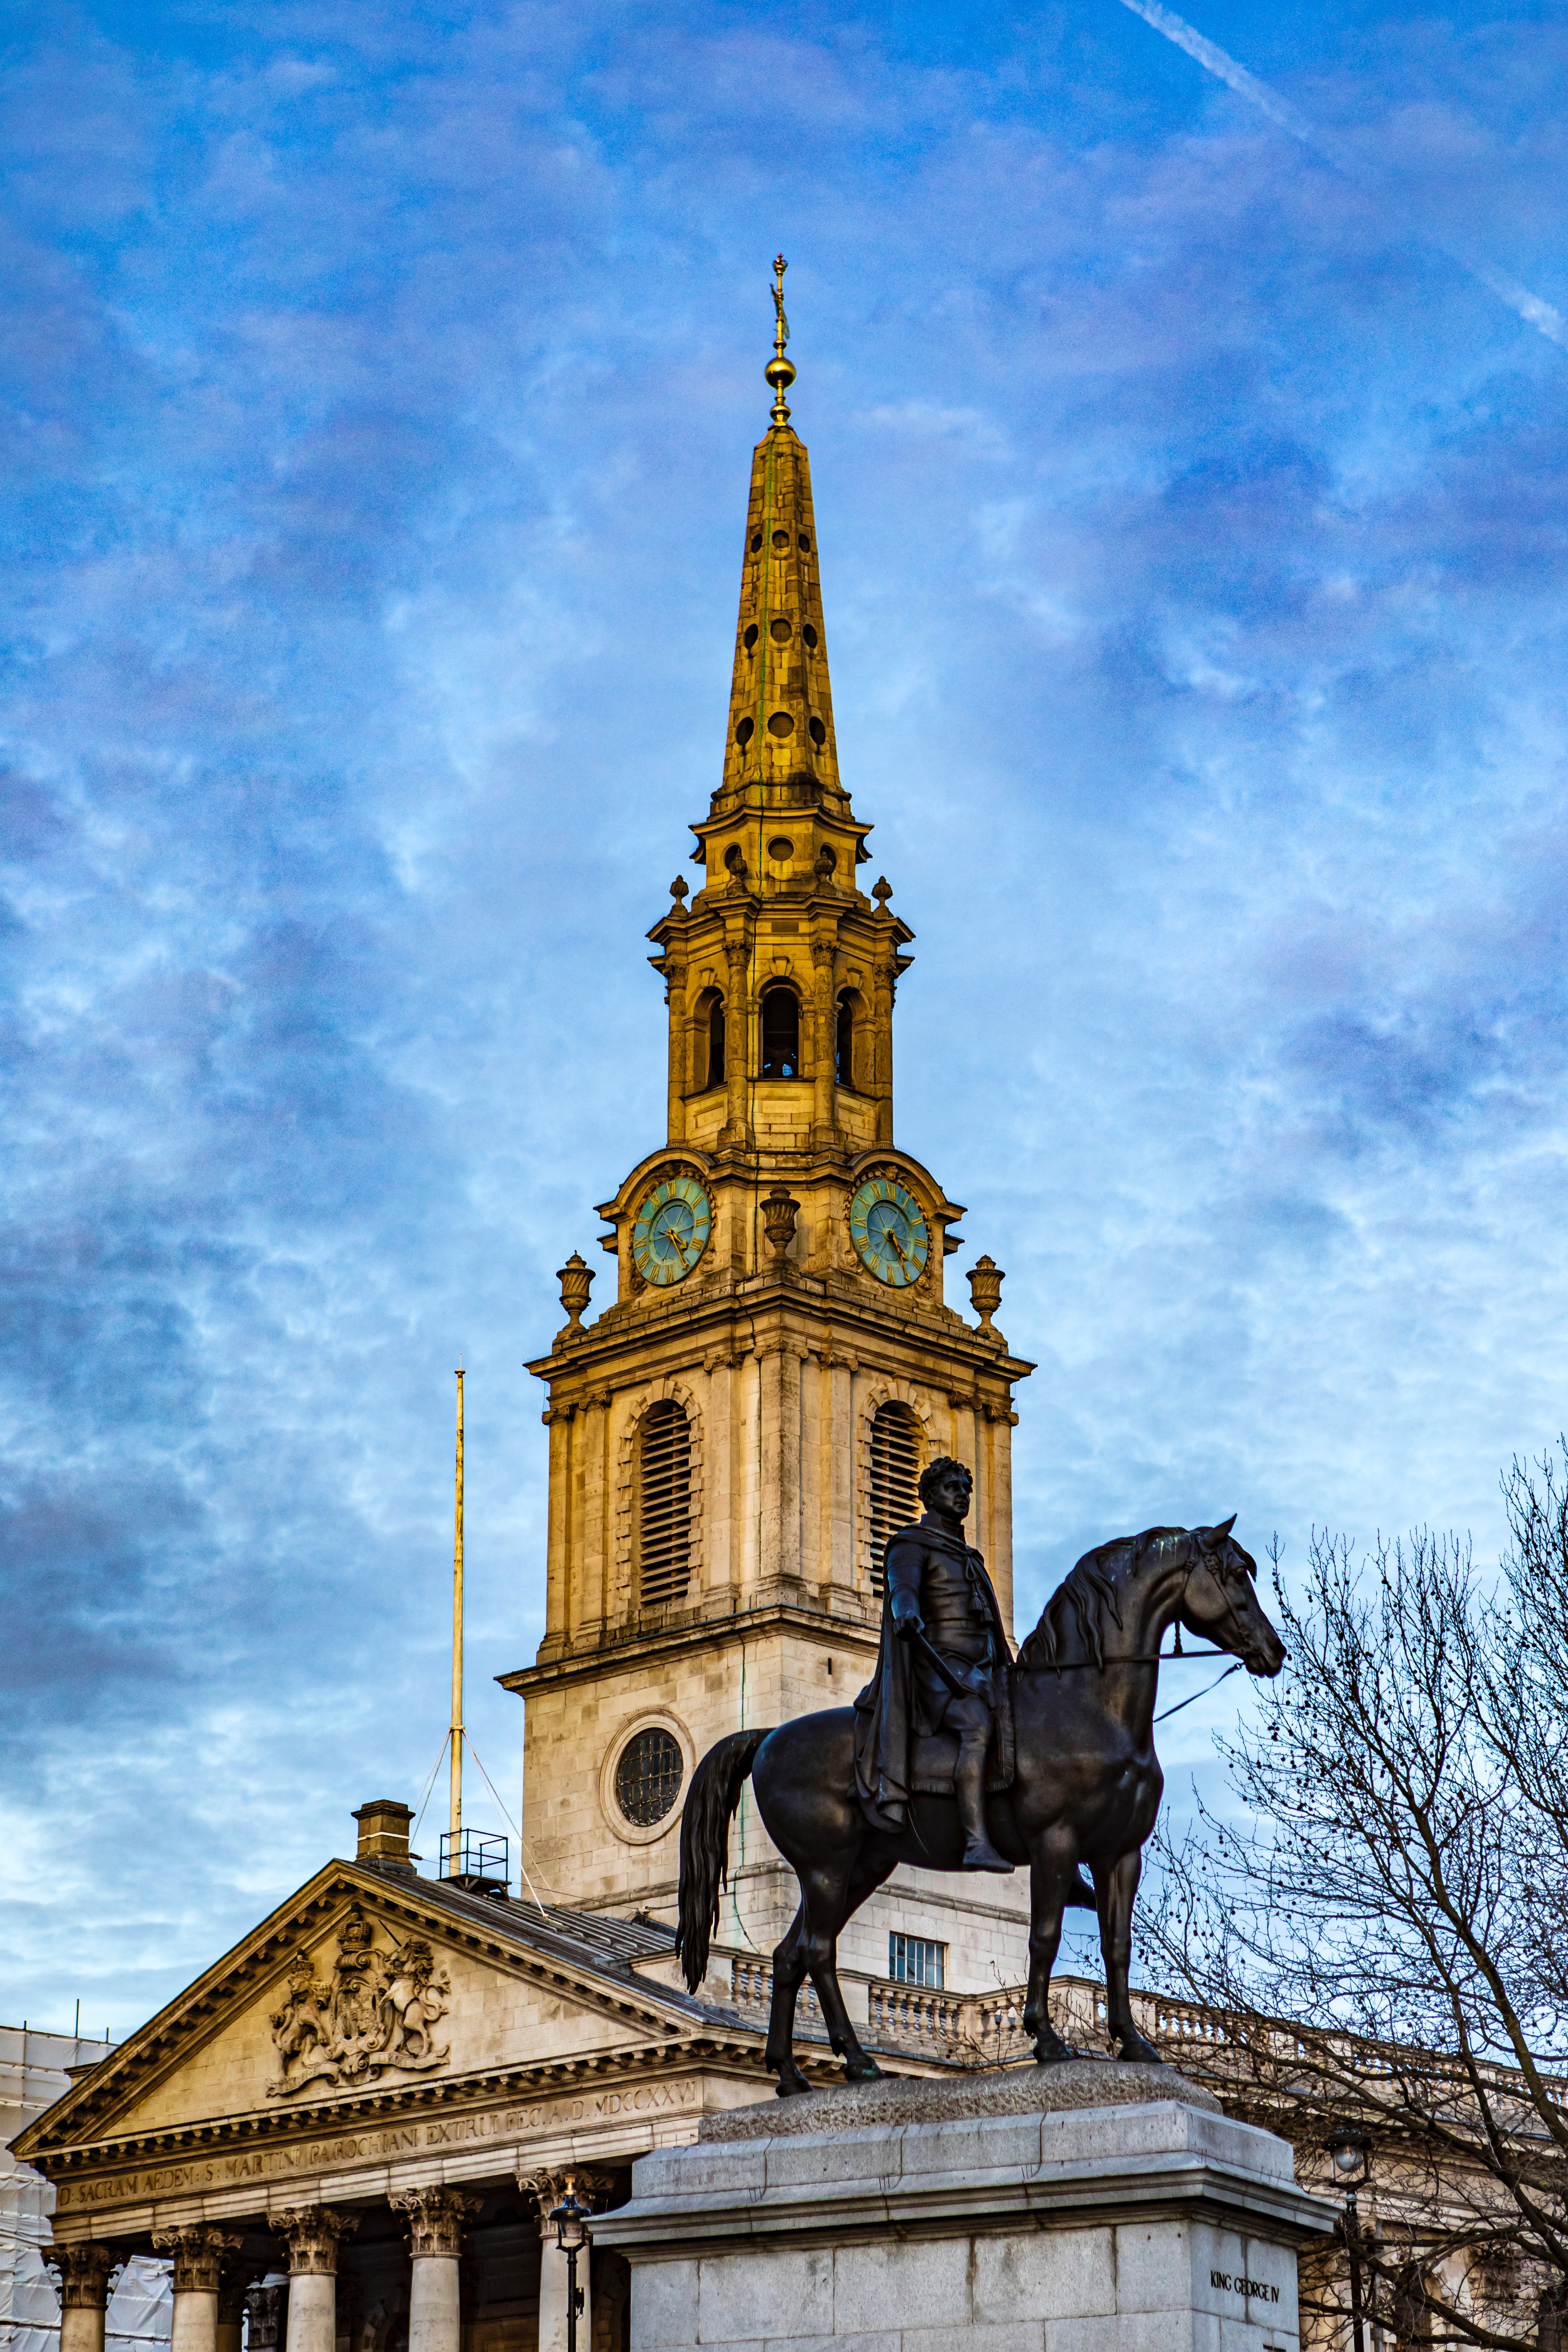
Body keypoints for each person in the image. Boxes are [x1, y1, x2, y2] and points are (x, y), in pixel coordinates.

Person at [853, 1455, 1014, 1871]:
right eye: (951, 1488)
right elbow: (901, 1586)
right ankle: (976, 1841)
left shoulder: (971, 1557)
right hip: (939, 1669)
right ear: (928, 1496)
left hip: (983, 1669)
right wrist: (906, 1608)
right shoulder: (912, 1544)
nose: (962, 1495)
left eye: (965, 1488)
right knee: (978, 1726)